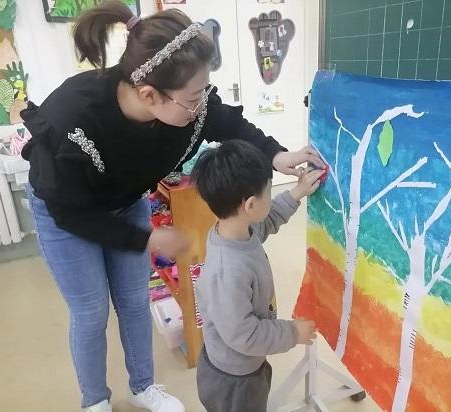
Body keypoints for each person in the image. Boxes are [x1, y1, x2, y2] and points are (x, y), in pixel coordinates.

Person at [21, 1, 323, 411]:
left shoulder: (187, 107)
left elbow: (228, 122)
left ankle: (143, 386)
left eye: (204, 91)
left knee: (132, 301)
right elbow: (70, 212)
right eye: (194, 97)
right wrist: (142, 237)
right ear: (149, 94)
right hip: (68, 214)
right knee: (91, 311)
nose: (202, 106)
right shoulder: (73, 119)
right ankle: (95, 400)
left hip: (125, 203)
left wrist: (275, 154)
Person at [190, 140, 321, 412]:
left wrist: (296, 193)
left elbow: (266, 221)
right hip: (234, 378)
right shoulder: (229, 270)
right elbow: (245, 335)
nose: (270, 196)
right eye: (269, 191)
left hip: (243, 365)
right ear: (250, 204)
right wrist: (292, 332)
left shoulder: (234, 231)